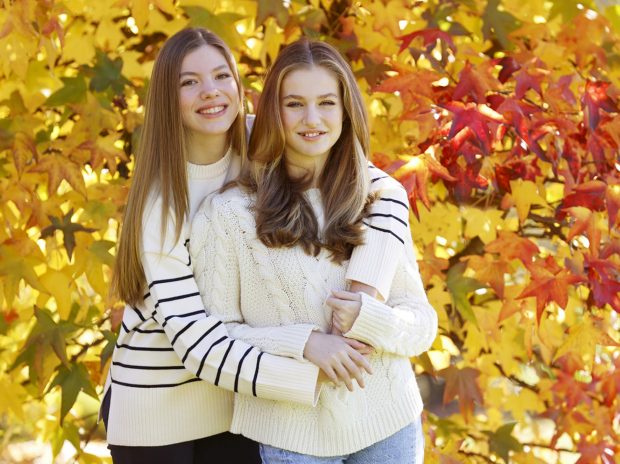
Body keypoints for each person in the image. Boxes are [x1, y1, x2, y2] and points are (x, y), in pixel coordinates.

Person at [103, 28, 407, 463]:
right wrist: (311, 366)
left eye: (221, 76)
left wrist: (366, 288)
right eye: (189, 82)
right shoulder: (162, 205)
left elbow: (382, 189)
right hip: (160, 407)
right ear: (167, 98)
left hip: (240, 399)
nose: (210, 92)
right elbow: (196, 344)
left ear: (239, 85)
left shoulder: (262, 140)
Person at [191, 39, 438, 463]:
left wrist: (371, 319)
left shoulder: (379, 200)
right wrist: (305, 343)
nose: (312, 119)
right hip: (288, 435)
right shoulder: (228, 214)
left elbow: (421, 324)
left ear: (345, 110)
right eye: (294, 104)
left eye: (326, 102)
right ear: (273, 112)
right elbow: (218, 338)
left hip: (388, 423)